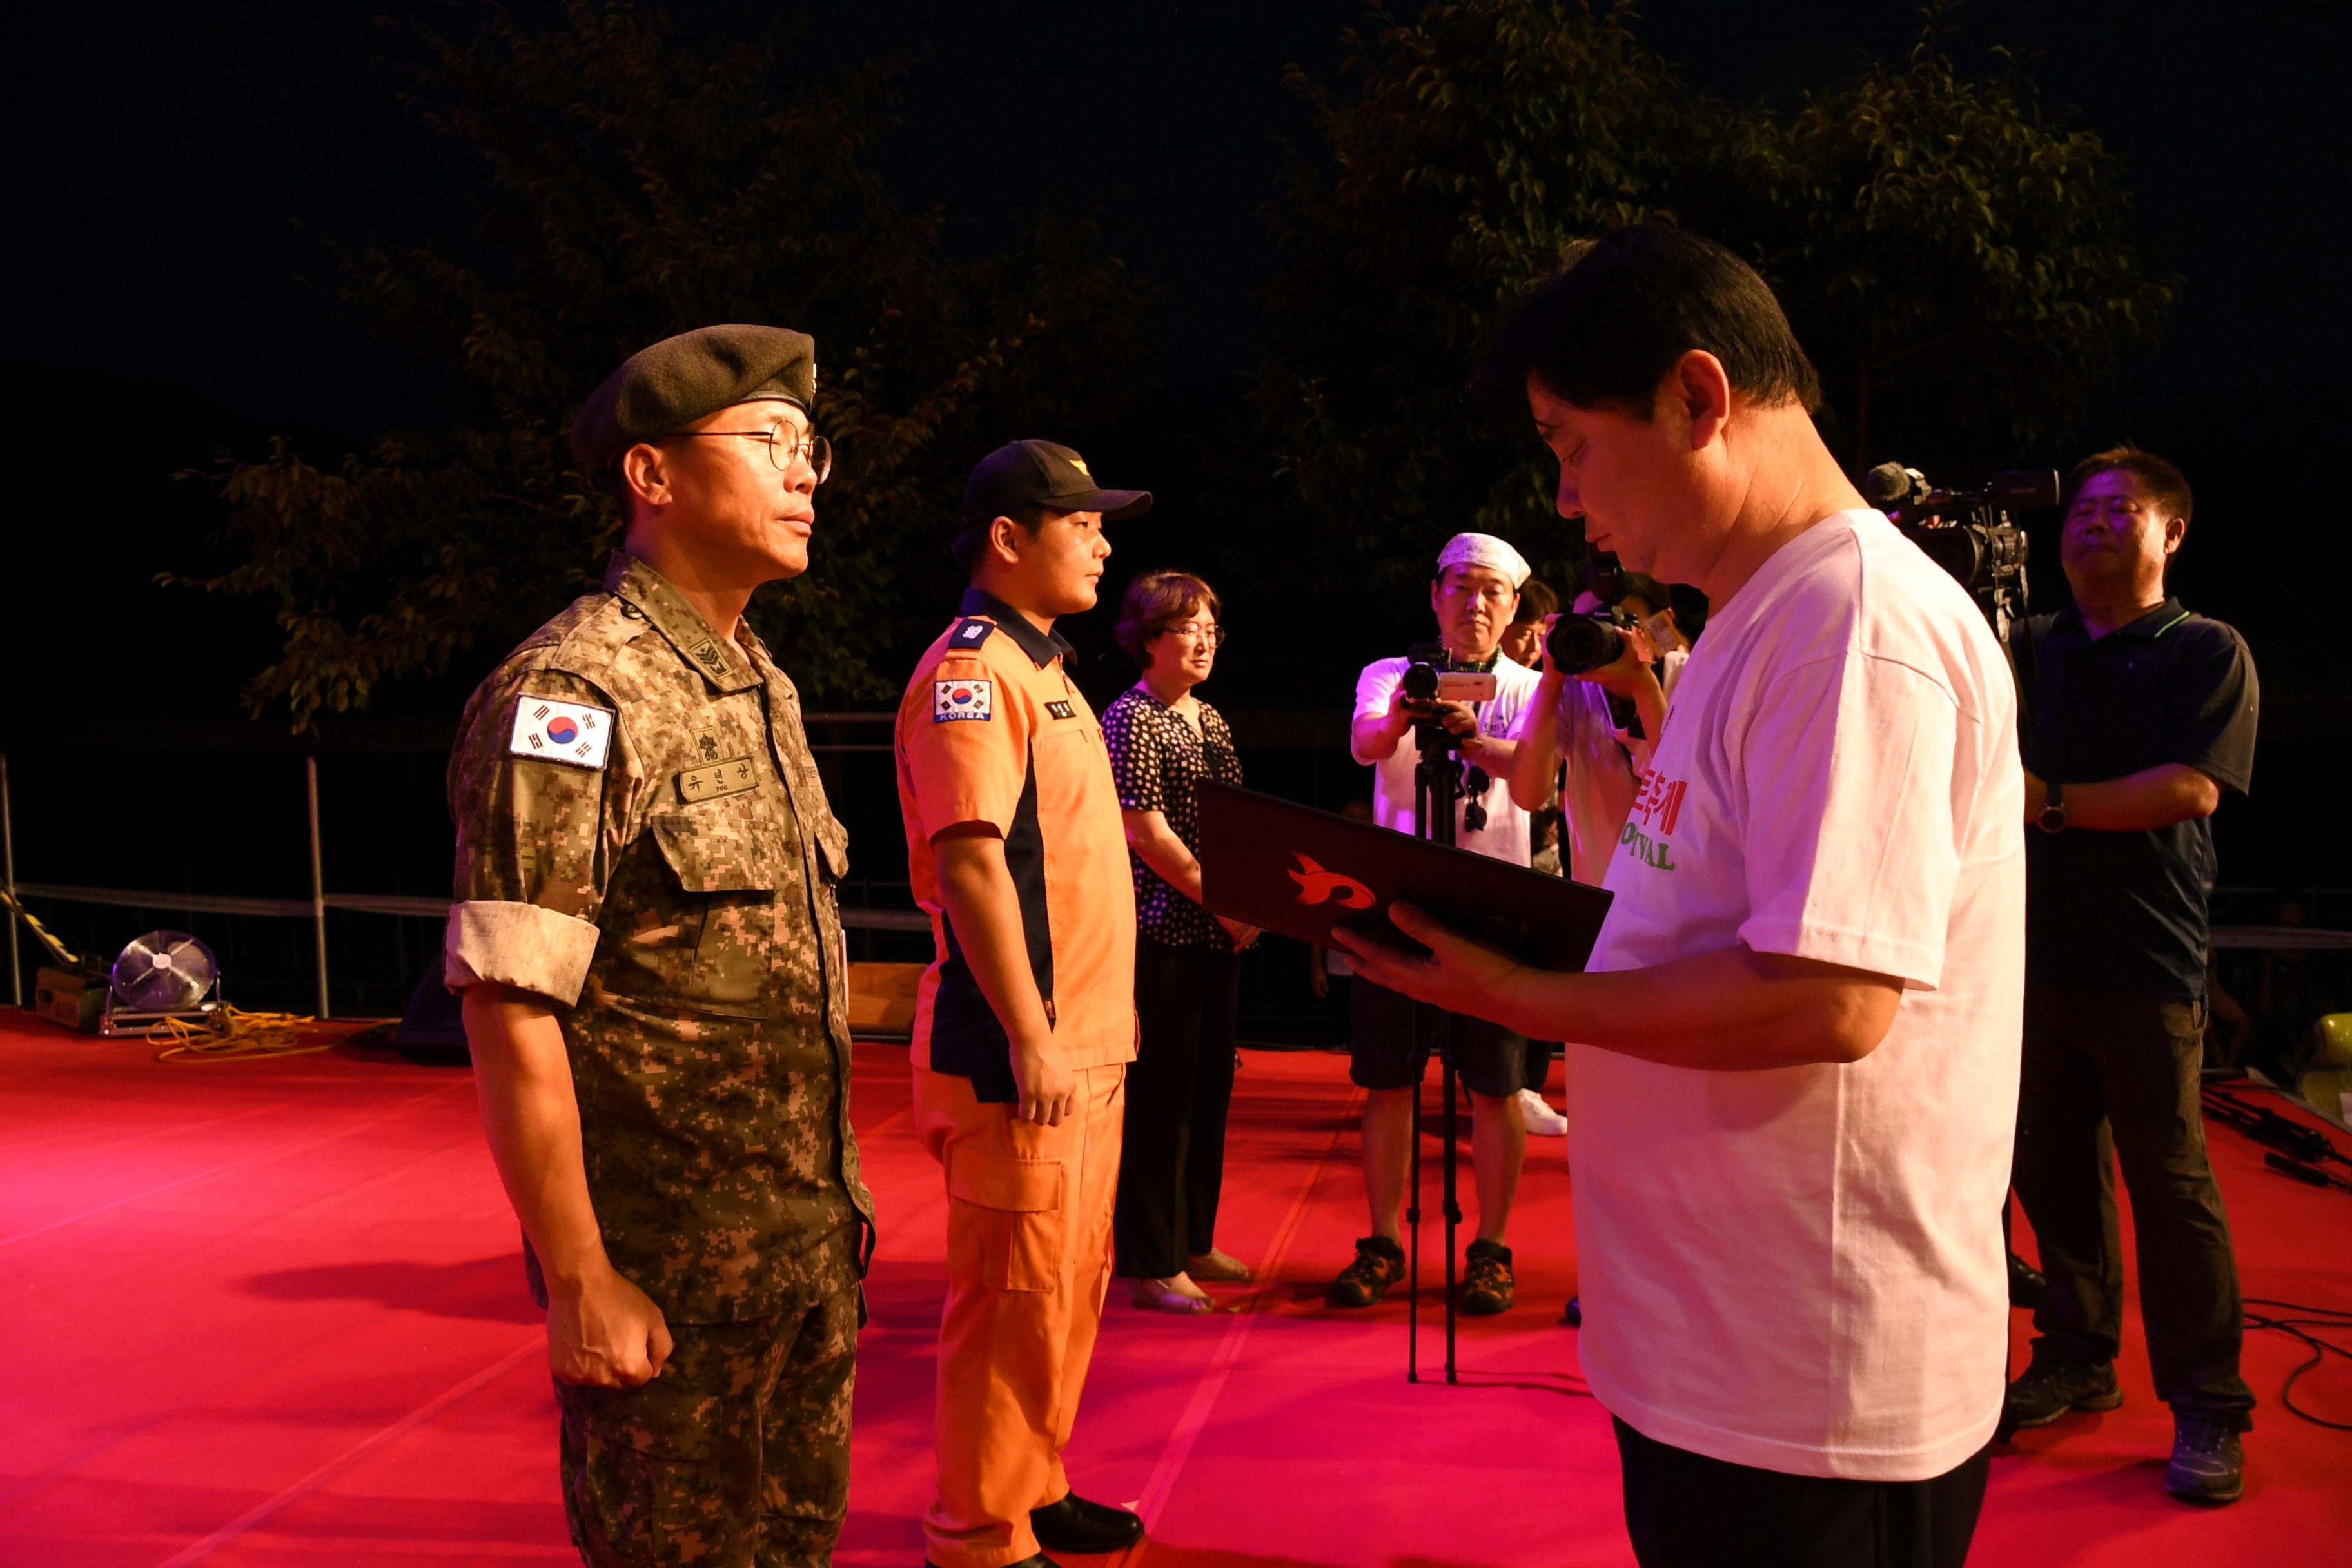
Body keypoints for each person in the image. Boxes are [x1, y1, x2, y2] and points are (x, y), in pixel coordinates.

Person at [1335, 225, 2021, 1568]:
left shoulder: (1854, 625)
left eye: (1572, 444)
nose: (1570, 498)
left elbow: (1832, 996)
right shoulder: (1750, 616)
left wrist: (1521, 993)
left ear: (1699, 399)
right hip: (1726, 1347)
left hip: (1808, 1379)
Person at [446, 324, 874, 1567]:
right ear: (654, 475)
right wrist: (579, 1274)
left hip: (804, 1264)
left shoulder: (760, 682)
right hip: (671, 1286)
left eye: (812, 451)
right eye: (771, 444)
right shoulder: (574, 695)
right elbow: (511, 999)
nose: (805, 475)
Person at [894, 438, 1152, 1568]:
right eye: (1080, 519)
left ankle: (1033, 1486)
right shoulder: (973, 668)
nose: (1101, 538)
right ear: (1008, 538)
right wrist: (1032, 1036)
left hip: (1084, 1043)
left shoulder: (1044, 666)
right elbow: (969, 863)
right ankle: (976, 1532)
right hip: (1018, 1055)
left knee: (1063, 1286)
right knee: (1008, 1302)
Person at [2004, 446, 2260, 1505]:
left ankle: (2206, 1405)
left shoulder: (2202, 649)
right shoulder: (2024, 646)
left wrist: (2045, 800)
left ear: (2172, 532)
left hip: (2145, 959)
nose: (2089, 524)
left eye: (2119, 509)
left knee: (2168, 1183)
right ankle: (2076, 1353)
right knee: (2050, 1171)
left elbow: (2191, 788)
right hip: (2025, 954)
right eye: (2080, 512)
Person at [1329, 532, 1543, 1317]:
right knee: (1387, 1078)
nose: (1475, 603)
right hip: (1397, 894)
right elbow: (1365, 743)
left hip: (1493, 903)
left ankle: (1491, 1244)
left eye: (1492, 590)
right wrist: (1406, 717)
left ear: (1514, 606)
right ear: (1435, 594)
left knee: (1497, 1082)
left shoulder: (1529, 684)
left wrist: (1472, 736)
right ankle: (1383, 1238)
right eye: (1460, 586)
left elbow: (1531, 783)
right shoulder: (1392, 673)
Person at [1101, 570, 1258, 1313]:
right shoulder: (1131, 718)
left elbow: (1235, 822)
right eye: (1187, 629)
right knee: (1161, 1096)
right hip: (1161, 930)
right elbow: (1145, 831)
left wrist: (1252, 899)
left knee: (1210, 1088)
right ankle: (1151, 1258)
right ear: (1148, 639)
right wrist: (1224, 899)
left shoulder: (1212, 718)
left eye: (1210, 629)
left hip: (1218, 929)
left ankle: (1196, 1235)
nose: (1203, 642)